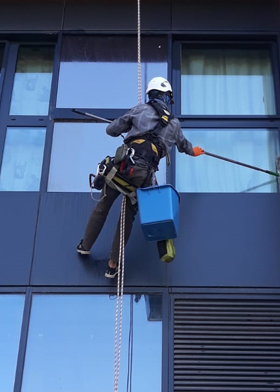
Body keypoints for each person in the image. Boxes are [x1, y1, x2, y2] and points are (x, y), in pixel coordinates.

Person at [76, 77, 204, 278]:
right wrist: (194, 151)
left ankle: (85, 245)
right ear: (166, 97)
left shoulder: (139, 110)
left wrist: (128, 126)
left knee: (103, 204)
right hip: (144, 178)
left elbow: (111, 130)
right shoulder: (174, 124)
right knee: (127, 218)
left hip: (123, 167)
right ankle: (112, 264)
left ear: (151, 94)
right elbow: (184, 146)